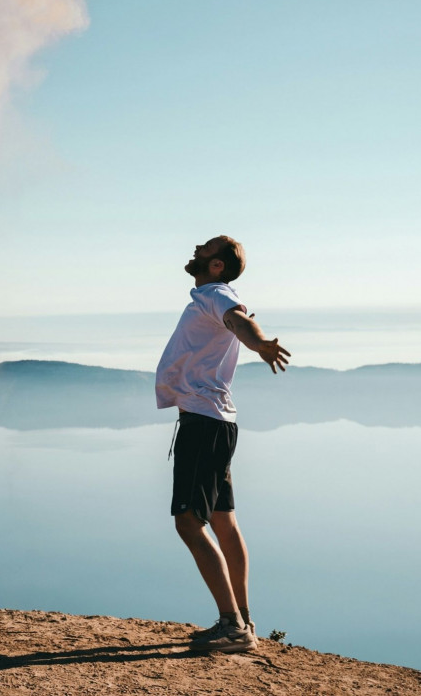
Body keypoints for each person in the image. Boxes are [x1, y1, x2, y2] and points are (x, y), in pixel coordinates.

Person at [155, 235, 290, 653]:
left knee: (188, 522)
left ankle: (233, 627)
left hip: (203, 423)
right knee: (222, 521)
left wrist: (259, 343)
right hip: (214, 421)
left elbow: (240, 321)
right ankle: (242, 619)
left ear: (217, 265)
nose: (197, 248)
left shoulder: (216, 294)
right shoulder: (209, 297)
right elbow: (236, 321)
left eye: (206, 248)